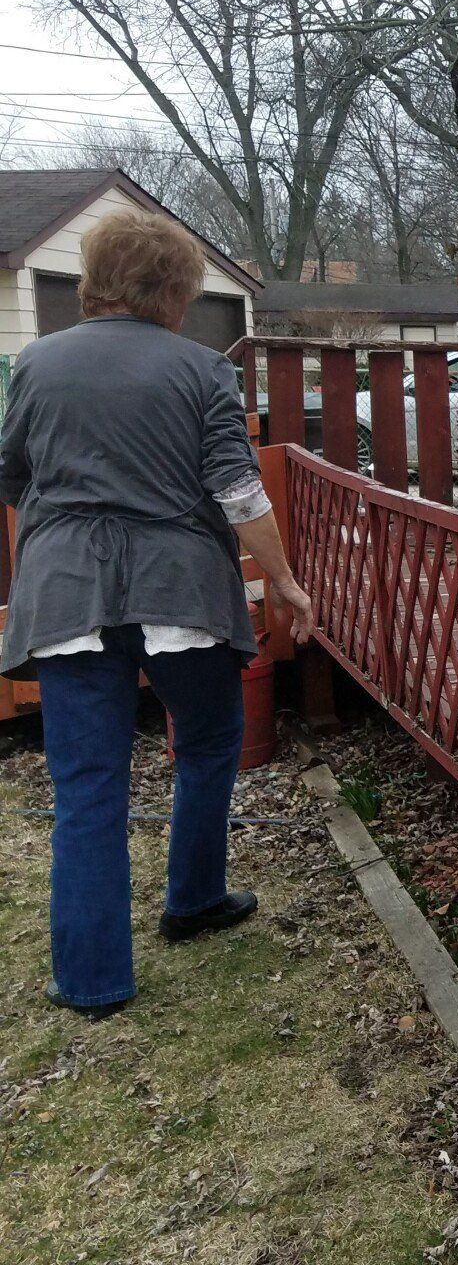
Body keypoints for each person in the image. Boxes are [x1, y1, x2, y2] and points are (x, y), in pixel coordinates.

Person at [0, 210, 315, 1020]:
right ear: (177, 291)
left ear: (93, 282)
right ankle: (194, 898)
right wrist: (282, 580)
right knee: (209, 742)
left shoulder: (33, 364)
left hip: (68, 594)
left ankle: (93, 981)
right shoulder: (202, 371)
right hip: (180, 593)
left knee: (86, 783)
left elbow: (12, 476)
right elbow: (238, 490)